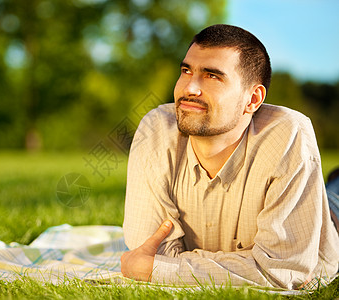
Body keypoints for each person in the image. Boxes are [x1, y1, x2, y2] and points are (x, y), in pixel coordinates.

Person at [121, 24, 339, 290]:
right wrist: (249, 263)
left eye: (212, 76)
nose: (190, 88)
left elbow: (281, 272)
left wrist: (160, 270)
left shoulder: (287, 132)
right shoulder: (156, 129)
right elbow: (152, 253)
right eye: (186, 70)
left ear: (253, 99)